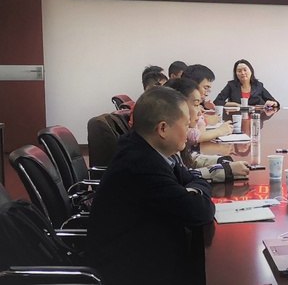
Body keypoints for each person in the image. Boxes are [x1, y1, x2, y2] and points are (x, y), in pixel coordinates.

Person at [87, 86, 215, 285]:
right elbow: (201, 211)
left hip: (146, 250)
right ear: (163, 129)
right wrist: (193, 190)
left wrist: (193, 189)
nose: (190, 128)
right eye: (185, 124)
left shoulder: (144, 148)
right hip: (132, 270)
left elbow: (192, 177)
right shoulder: (140, 165)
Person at [165, 77, 248, 181]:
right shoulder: (168, 143)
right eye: (196, 105)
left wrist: (221, 161)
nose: (200, 113)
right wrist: (226, 170)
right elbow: (183, 177)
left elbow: (187, 159)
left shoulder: (174, 143)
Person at [165, 77, 234, 146]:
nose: (199, 112)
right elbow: (197, 136)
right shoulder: (180, 131)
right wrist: (220, 131)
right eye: (196, 105)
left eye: (199, 105)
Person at [213, 59, 279, 108]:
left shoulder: (258, 85)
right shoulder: (231, 85)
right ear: (236, 74)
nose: (242, 73)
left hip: (255, 118)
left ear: (251, 71)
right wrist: (236, 104)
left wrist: (272, 104)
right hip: (236, 117)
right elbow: (217, 102)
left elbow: (275, 103)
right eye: (239, 71)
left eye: (245, 70)